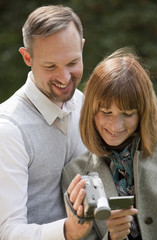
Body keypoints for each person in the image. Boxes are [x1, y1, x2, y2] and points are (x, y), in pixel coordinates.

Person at [0, 5, 91, 240]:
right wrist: (68, 231)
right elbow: (7, 231)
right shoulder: (8, 129)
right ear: (27, 57)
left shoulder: (86, 104)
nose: (64, 78)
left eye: (72, 62)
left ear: (82, 47)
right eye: (50, 66)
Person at [62, 47, 157, 240]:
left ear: (142, 113)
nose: (115, 125)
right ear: (90, 111)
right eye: (106, 112)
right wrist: (112, 237)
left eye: (127, 114)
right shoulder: (74, 173)